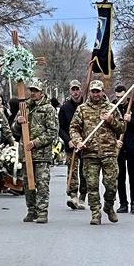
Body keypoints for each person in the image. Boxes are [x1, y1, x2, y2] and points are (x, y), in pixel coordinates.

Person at [69, 80, 125, 225]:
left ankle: (109, 206)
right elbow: (74, 128)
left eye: (98, 91)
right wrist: (78, 141)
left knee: (111, 184)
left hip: (109, 153)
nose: (95, 94)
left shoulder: (112, 108)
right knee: (92, 185)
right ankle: (95, 212)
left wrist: (111, 120)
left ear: (102, 91)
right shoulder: (82, 109)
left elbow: (122, 128)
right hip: (90, 153)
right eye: (93, 91)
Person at [16, 79, 58, 223]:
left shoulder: (48, 109)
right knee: (28, 184)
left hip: (41, 154)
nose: (33, 93)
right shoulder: (24, 107)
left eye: (36, 91)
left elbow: (52, 132)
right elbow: (15, 130)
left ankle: (42, 211)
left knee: (42, 183)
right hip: (26, 154)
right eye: (31, 91)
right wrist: (18, 122)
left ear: (41, 92)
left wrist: (36, 142)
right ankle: (31, 210)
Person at [114, 85, 134, 214]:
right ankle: (123, 203)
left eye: (121, 96)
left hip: (132, 146)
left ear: (126, 95)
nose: (119, 99)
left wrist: (131, 120)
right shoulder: (113, 109)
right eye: (117, 97)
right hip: (119, 147)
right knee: (119, 176)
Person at [58, 79, 86, 209]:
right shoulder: (64, 108)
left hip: (85, 143)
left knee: (85, 171)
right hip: (71, 144)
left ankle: (83, 195)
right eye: (73, 90)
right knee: (72, 170)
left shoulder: (86, 105)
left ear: (81, 90)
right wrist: (68, 140)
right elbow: (60, 127)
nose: (75, 92)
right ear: (70, 91)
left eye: (77, 89)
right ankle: (73, 195)